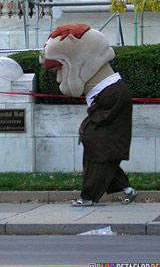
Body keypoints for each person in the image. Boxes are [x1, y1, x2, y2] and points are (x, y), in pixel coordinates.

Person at [39, 23, 137, 207]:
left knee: (97, 146)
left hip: (110, 96)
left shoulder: (111, 90)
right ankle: (127, 190)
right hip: (107, 96)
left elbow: (74, 88)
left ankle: (88, 197)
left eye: (59, 70)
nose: (59, 76)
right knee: (102, 150)